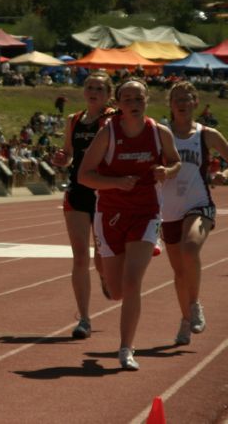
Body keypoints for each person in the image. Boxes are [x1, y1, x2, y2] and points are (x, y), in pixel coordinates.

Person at [78, 78, 180, 370]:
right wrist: (116, 183)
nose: (134, 105)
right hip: (110, 213)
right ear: (119, 105)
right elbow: (85, 176)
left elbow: (175, 163)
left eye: (139, 99)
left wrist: (167, 171)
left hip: (146, 213)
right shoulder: (107, 134)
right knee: (118, 290)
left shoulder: (159, 133)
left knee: (133, 283)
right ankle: (103, 273)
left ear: (147, 100)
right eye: (128, 100)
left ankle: (126, 348)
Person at [161, 82, 228, 345]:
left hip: (199, 203)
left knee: (190, 248)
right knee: (179, 274)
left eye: (187, 98)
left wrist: (225, 173)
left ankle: (195, 305)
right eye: (177, 98)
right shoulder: (161, 133)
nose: (182, 102)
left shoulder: (206, 134)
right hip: (169, 210)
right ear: (170, 104)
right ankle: (186, 317)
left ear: (195, 103)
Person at [51, 72, 114, 339]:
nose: (93, 91)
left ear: (108, 94)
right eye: (90, 87)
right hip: (77, 192)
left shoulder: (112, 120)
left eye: (99, 88)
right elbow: (69, 155)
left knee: (101, 259)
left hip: (103, 193)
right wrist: (61, 158)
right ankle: (84, 318)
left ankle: (104, 276)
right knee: (79, 256)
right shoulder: (73, 120)